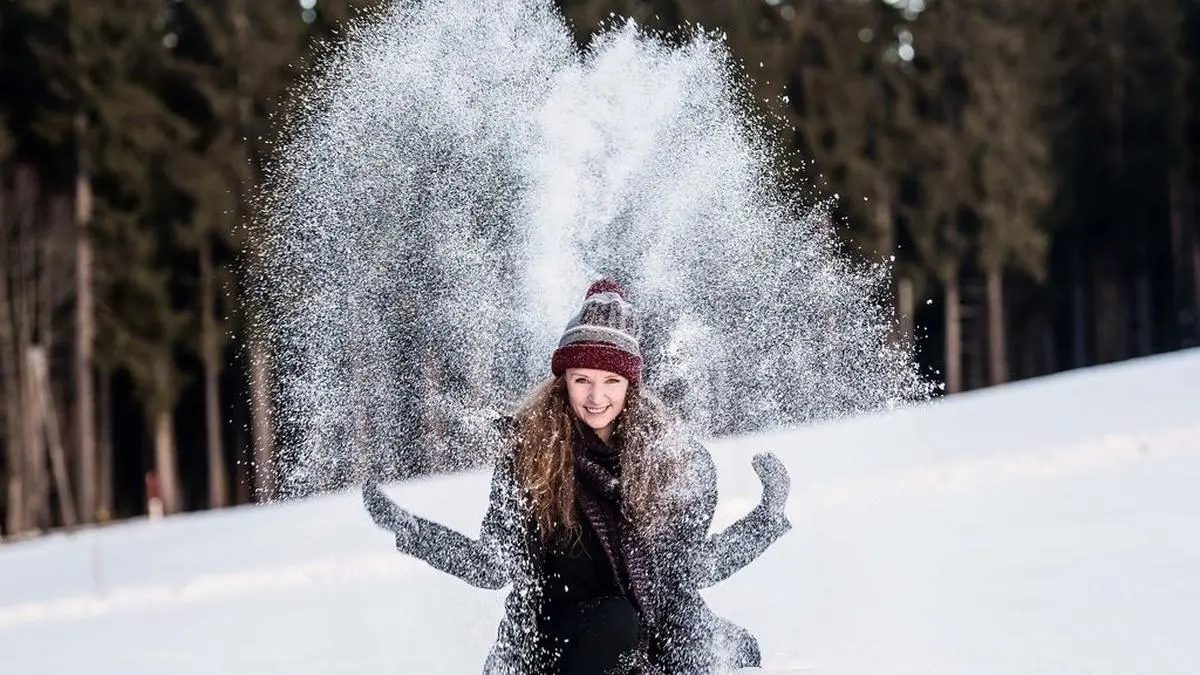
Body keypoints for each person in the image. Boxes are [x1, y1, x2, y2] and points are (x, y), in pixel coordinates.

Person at [363, 278, 792, 674]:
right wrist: (415, 532)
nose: (596, 396)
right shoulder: (529, 459)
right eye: (581, 379)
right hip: (558, 640)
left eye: (611, 380)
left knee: (702, 639)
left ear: (631, 386)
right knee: (616, 621)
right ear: (563, 382)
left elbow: (692, 568)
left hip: (642, 627)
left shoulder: (669, 462)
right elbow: (493, 565)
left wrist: (767, 517)